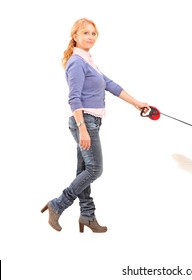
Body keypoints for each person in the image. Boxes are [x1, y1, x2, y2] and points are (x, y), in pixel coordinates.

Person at [41, 18, 150, 233]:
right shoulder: (76, 62)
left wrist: (137, 104)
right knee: (94, 169)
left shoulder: (88, 60)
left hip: (93, 121)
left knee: (84, 169)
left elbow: (110, 84)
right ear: (75, 36)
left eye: (93, 33)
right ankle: (58, 204)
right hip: (85, 121)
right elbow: (74, 99)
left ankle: (87, 216)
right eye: (85, 33)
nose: (90, 37)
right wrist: (82, 127)